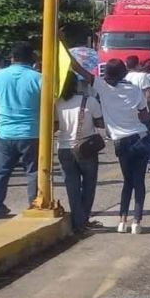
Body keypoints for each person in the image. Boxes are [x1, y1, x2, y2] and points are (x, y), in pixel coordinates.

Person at [71, 56, 150, 234]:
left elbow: (77, 68)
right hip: (140, 137)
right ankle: (136, 222)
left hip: (121, 142)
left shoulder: (102, 87)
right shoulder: (135, 90)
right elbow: (145, 115)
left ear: (106, 73)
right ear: (124, 72)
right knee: (139, 182)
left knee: (127, 182)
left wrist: (60, 45)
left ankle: (122, 221)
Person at [0, 42, 41, 218]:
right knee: (33, 172)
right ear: (32, 58)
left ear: (12, 58)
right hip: (31, 132)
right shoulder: (39, 78)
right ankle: (35, 205)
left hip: (4, 133)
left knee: (0, 171)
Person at [53, 71, 103, 233]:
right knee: (89, 185)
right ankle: (84, 218)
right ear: (76, 85)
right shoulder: (89, 101)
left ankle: (78, 221)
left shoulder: (56, 103)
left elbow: (54, 126)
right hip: (85, 147)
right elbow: (100, 123)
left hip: (64, 148)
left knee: (72, 186)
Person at [124, 55, 150, 173]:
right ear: (137, 65)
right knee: (148, 136)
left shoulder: (124, 77)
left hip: (129, 111)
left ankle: (137, 162)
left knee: (134, 137)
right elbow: (148, 94)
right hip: (142, 110)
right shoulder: (142, 76)